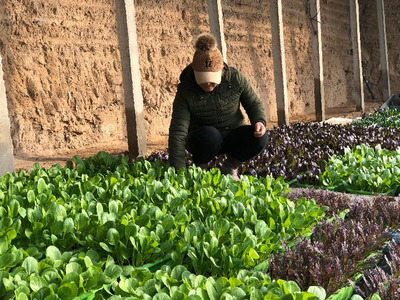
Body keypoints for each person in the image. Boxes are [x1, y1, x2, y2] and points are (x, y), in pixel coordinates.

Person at [168, 33, 269, 181]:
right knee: (210, 135)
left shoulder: (235, 79)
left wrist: (259, 121)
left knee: (260, 138)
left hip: (232, 134)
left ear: (221, 71)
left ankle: (230, 168)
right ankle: (200, 172)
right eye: (203, 81)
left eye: (212, 81)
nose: (208, 85)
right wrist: (178, 173)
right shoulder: (186, 90)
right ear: (194, 73)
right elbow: (178, 132)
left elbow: (253, 103)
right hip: (203, 140)